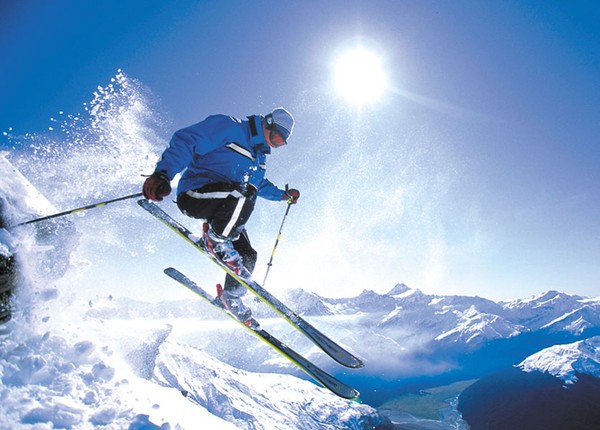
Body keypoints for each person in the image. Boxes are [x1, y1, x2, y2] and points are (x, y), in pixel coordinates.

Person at [142, 107, 300, 325]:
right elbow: (188, 140)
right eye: (275, 137)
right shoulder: (230, 128)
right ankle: (217, 241)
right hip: (195, 194)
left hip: (225, 207)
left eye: (281, 143)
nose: (275, 144)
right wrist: (163, 174)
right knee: (244, 193)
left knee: (248, 255)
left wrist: (283, 195)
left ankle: (231, 297)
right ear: (267, 123)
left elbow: (259, 184)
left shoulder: (259, 157)